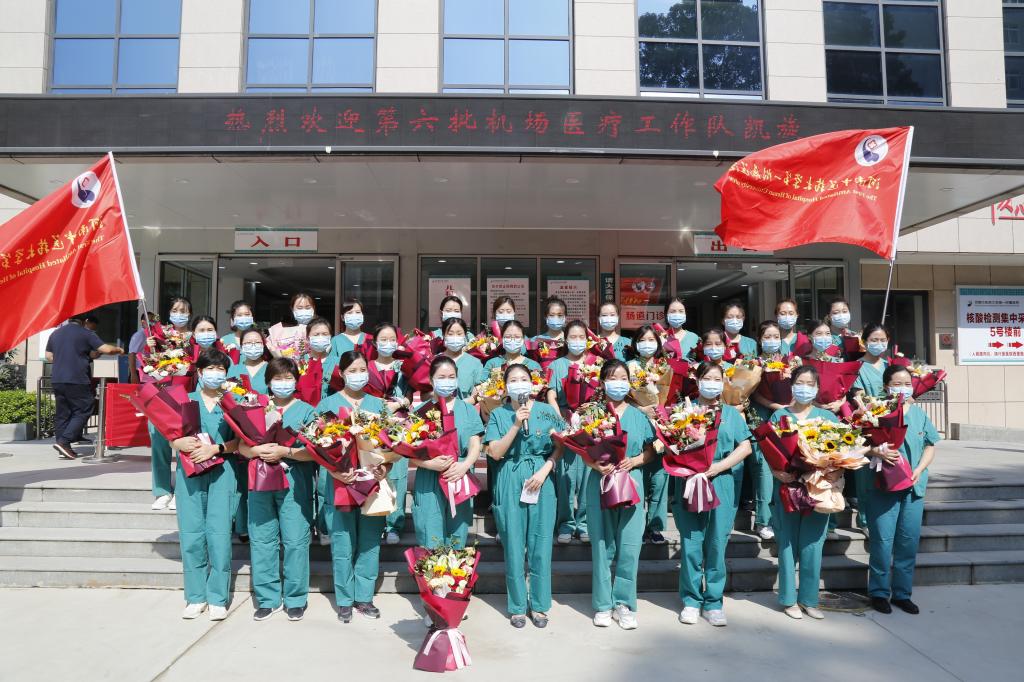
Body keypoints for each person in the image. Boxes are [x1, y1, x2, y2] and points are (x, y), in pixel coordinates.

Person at [484, 363, 563, 628]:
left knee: (541, 543)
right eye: (514, 380)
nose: (520, 384)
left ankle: (539, 605)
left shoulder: (546, 411)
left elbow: (561, 445)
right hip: (510, 475)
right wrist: (516, 424)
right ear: (506, 386)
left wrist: (546, 468)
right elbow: (495, 452)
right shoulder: (498, 414)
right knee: (514, 544)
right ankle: (517, 605)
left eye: (524, 379)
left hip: (541, 475)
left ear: (532, 383)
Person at [674, 362, 752, 628]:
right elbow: (670, 444)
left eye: (717, 379)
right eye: (707, 378)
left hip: (720, 480)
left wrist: (719, 466)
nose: (712, 383)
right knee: (691, 542)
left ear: (724, 383)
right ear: (697, 381)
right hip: (690, 480)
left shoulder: (731, 414)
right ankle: (691, 600)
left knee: (717, 542)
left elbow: (745, 447)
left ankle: (714, 602)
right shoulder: (683, 411)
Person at [237, 358, 316, 622]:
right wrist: (257, 450)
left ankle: (296, 598)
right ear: (268, 382)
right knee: (262, 539)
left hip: (294, 482)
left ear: (296, 381)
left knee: (295, 540)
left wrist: (286, 451)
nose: (283, 383)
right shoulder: (255, 407)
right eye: (277, 378)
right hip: (260, 483)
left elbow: (315, 452)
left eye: (288, 378)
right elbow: (242, 446)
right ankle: (268, 599)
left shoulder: (307, 411)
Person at [316, 351, 389, 622]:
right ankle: (345, 599)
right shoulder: (328, 405)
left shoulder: (378, 405)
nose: (359, 375)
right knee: (342, 543)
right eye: (353, 370)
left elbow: (391, 445)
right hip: (340, 483)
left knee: (370, 541)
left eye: (363, 370)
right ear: (342, 373)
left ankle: (364, 597)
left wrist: (384, 467)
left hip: (371, 483)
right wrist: (334, 469)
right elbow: (317, 446)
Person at [585, 360, 657, 630]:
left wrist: (635, 461)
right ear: (603, 382)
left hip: (631, 483)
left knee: (629, 546)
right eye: (612, 377)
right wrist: (596, 465)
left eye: (623, 377)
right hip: (600, 482)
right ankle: (603, 604)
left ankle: (624, 604)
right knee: (601, 544)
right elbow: (581, 450)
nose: (618, 382)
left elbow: (651, 450)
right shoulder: (593, 413)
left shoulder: (638, 416)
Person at [170, 349, 240, 621]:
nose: (215, 373)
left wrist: (217, 448)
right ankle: (195, 596)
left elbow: (242, 440)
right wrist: (177, 442)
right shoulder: (185, 400)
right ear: (199, 372)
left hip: (223, 471)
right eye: (209, 368)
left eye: (220, 369)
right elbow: (168, 433)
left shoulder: (233, 402)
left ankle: (217, 597)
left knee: (219, 533)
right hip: (190, 472)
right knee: (191, 533)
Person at [864, 365, 940, 616]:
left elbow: (930, 445)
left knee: (908, 542)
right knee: (882, 541)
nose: (903, 388)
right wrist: (875, 452)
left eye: (907, 384)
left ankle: (902, 593)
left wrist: (920, 468)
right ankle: (879, 592)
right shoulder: (876, 412)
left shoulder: (919, 414)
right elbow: (857, 444)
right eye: (897, 384)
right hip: (883, 486)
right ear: (886, 386)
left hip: (913, 486)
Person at [770, 366, 835, 620]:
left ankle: (809, 599)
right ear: (792, 385)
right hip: (788, 487)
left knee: (813, 543)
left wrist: (831, 472)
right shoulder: (780, 416)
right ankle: (788, 599)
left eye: (810, 384)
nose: (804, 388)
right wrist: (777, 472)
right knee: (787, 541)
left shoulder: (827, 417)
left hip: (817, 488)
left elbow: (841, 451)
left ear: (817, 389)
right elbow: (769, 450)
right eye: (800, 382)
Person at [412, 356, 485, 549]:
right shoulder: (420, 411)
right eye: (442, 377)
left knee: (457, 537)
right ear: (431, 380)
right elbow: (410, 452)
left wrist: (464, 466)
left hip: (459, 475)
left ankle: (456, 570)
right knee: (430, 537)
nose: (447, 381)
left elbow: (475, 444)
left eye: (451, 377)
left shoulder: (468, 410)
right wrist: (430, 464)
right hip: (429, 478)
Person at [749, 321, 801, 541]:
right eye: (767, 337)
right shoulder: (754, 364)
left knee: (789, 467)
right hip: (763, 417)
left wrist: (789, 405)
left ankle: (787, 514)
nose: (772, 340)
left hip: (788, 419)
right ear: (760, 340)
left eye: (776, 336)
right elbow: (752, 392)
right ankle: (763, 520)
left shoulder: (792, 362)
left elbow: (801, 387)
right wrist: (775, 406)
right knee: (764, 471)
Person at [46, 315, 123, 460]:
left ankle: (63, 446)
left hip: (57, 378)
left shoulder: (56, 333)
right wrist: (119, 349)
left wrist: (69, 359)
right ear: (85, 320)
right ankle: (64, 441)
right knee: (84, 408)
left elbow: (49, 356)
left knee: (63, 413)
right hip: (77, 378)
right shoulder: (85, 333)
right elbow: (107, 349)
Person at [545, 320, 592, 544]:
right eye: (573, 337)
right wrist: (560, 420)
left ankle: (584, 524)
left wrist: (590, 412)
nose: (577, 341)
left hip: (589, 425)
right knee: (565, 477)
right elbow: (551, 395)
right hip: (565, 424)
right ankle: (565, 523)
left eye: (581, 336)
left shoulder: (595, 364)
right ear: (565, 339)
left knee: (587, 476)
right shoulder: (557, 365)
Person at [367, 323, 411, 545]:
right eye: (383, 340)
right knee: (373, 470)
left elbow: (411, 394)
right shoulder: (366, 367)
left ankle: (394, 524)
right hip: (372, 425)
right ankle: (374, 521)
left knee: (397, 475)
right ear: (375, 343)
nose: (388, 343)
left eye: (392, 339)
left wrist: (400, 403)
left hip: (398, 426)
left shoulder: (404, 367)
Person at [147, 297, 193, 510]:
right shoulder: (158, 336)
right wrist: (150, 347)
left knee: (184, 446)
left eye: (183, 310)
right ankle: (162, 491)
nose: (179, 314)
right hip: (161, 397)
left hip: (186, 397)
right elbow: (149, 365)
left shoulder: (195, 338)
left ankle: (180, 491)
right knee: (159, 444)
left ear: (190, 314)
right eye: (175, 310)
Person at [625, 326, 669, 545]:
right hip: (638, 422)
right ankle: (638, 525)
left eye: (652, 340)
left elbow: (675, 395)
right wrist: (642, 409)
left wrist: (665, 413)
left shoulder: (666, 368)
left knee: (660, 477)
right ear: (635, 344)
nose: (647, 344)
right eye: (642, 340)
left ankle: (655, 526)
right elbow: (622, 396)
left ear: (658, 343)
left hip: (663, 426)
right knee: (639, 475)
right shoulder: (629, 368)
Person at [440, 317, 485, 400]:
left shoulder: (475, 363)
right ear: (443, 335)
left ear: (465, 335)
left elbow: (477, 394)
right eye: (450, 334)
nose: (455, 337)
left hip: (466, 407)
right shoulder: (434, 361)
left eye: (459, 334)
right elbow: (427, 393)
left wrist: (460, 405)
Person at [268, 293, 315, 357]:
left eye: (308, 307)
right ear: (292, 309)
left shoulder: (322, 330)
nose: (304, 310)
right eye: (300, 308)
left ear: (313, 308)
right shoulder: (279, 332)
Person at [662, 296, 699, 361]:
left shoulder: (694, 337)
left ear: (685, 314)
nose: (677, 314)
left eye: (681, 311)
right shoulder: (661, 337)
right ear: (666, 314)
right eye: (673, 311)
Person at [127, 311, 160, 384]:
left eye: (153, 320)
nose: (152, 323)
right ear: (143, 322)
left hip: (149, 372)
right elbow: (131, 354)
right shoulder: (139, 335)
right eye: (150, 320)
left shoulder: (152, 334)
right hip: (139, 372)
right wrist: (133, 375)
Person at [219, 300, 256, 365]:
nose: (244, 318)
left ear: (252, 318)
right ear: (233, 319)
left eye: (247, 314)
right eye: (239, 315)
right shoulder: (224, 340)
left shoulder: (259, 339)